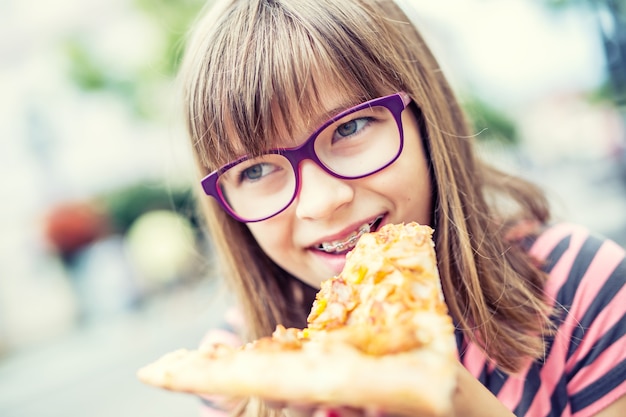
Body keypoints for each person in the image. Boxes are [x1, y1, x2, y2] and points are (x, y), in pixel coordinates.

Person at [176, 0, 626, 416]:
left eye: (350, 127)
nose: (321, 201)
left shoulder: (587, 291)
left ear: (425, 117)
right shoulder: (243, 362)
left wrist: (450, 398)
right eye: (255, 171)